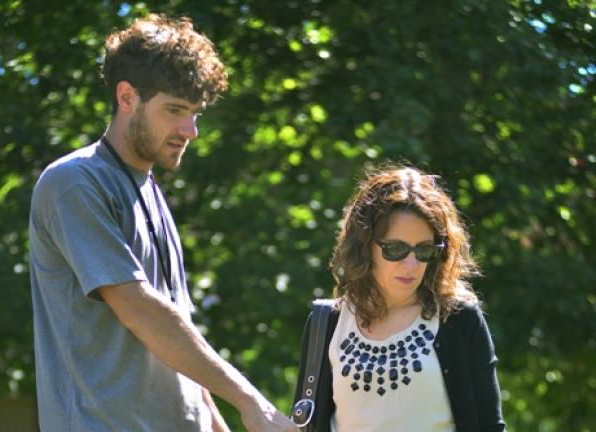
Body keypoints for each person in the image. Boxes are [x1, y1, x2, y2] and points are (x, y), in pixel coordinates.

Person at [29, 13, 297, 432]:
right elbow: (139, 310)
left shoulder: (152, 194)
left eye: (195, 113)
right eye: (174, 110)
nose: (189, 130)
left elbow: (176, 333)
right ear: (126, 97)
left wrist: (215, 422)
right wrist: (249, 400)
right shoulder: (74, 183)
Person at [294, 164, 506, 431]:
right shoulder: (325, 325)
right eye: (396, 249)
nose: (411, 264)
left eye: (424, 250)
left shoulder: (460, 320)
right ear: (365, 246)